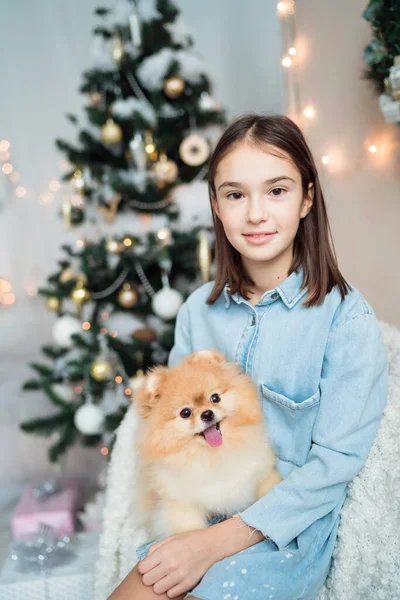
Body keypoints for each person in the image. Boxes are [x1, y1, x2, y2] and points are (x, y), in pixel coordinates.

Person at [108, 114, 388, 600]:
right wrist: (189, 531)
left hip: (282, 532)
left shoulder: (346, 321)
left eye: (276, 191)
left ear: (306, 197)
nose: (255, 214)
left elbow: (335, 464)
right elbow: (174, 428)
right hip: (198, 505)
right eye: (236, 194)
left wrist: (214, 544)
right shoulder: (199, 312)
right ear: (216, 205)